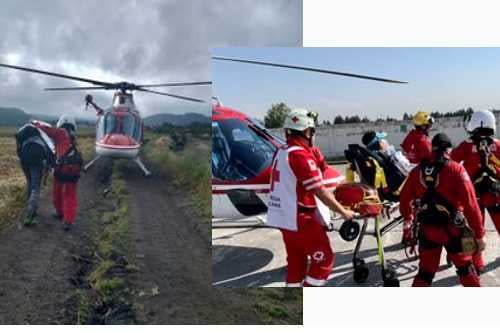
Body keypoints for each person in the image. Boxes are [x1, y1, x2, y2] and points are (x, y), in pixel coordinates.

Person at [266, 108, 355, 287]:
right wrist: (343, 211)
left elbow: (316, 173)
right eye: (312, 131)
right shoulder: (299, 155)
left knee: (296, 261)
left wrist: (315, 155)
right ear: (307, 132)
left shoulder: (282, 151)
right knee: (324, 260)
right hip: (300, 219)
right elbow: (320, 191)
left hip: (283, 217)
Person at [399, 133, 486, 287]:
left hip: (428, 230)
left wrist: (408, 217)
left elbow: (404, 199)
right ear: (449, 150)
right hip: (455, 230)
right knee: (466, 269)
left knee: (425, 273)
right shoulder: (456, 169)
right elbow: (471, 205)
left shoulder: (416, 171)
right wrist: (479, 234)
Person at [451, 109, 500, 273]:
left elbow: (450, 163)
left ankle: (476, 265)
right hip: (495, 196)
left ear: (478, 124)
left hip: (473, 198)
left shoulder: (466, 145)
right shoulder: (498, 145)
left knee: (472, 232)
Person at [33, 115, 83, 231]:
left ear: (61, 123)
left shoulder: (61, 132)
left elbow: (47, 130)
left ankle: (60, 213)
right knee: (70, 195)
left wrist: (35, 123)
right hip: (74, 169)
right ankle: (68, 221)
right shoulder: (73, 137)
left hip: (62, 168)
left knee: (57, 193)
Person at [15, 122, 56, 225]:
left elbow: (19, 152)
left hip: (24, 160)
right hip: (37, 161)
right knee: (36, 187)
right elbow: (50, 154)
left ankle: (29, 206)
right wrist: (52, 166)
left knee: (30, 183)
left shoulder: (23, 137)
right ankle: (30, 215)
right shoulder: (43, 138)